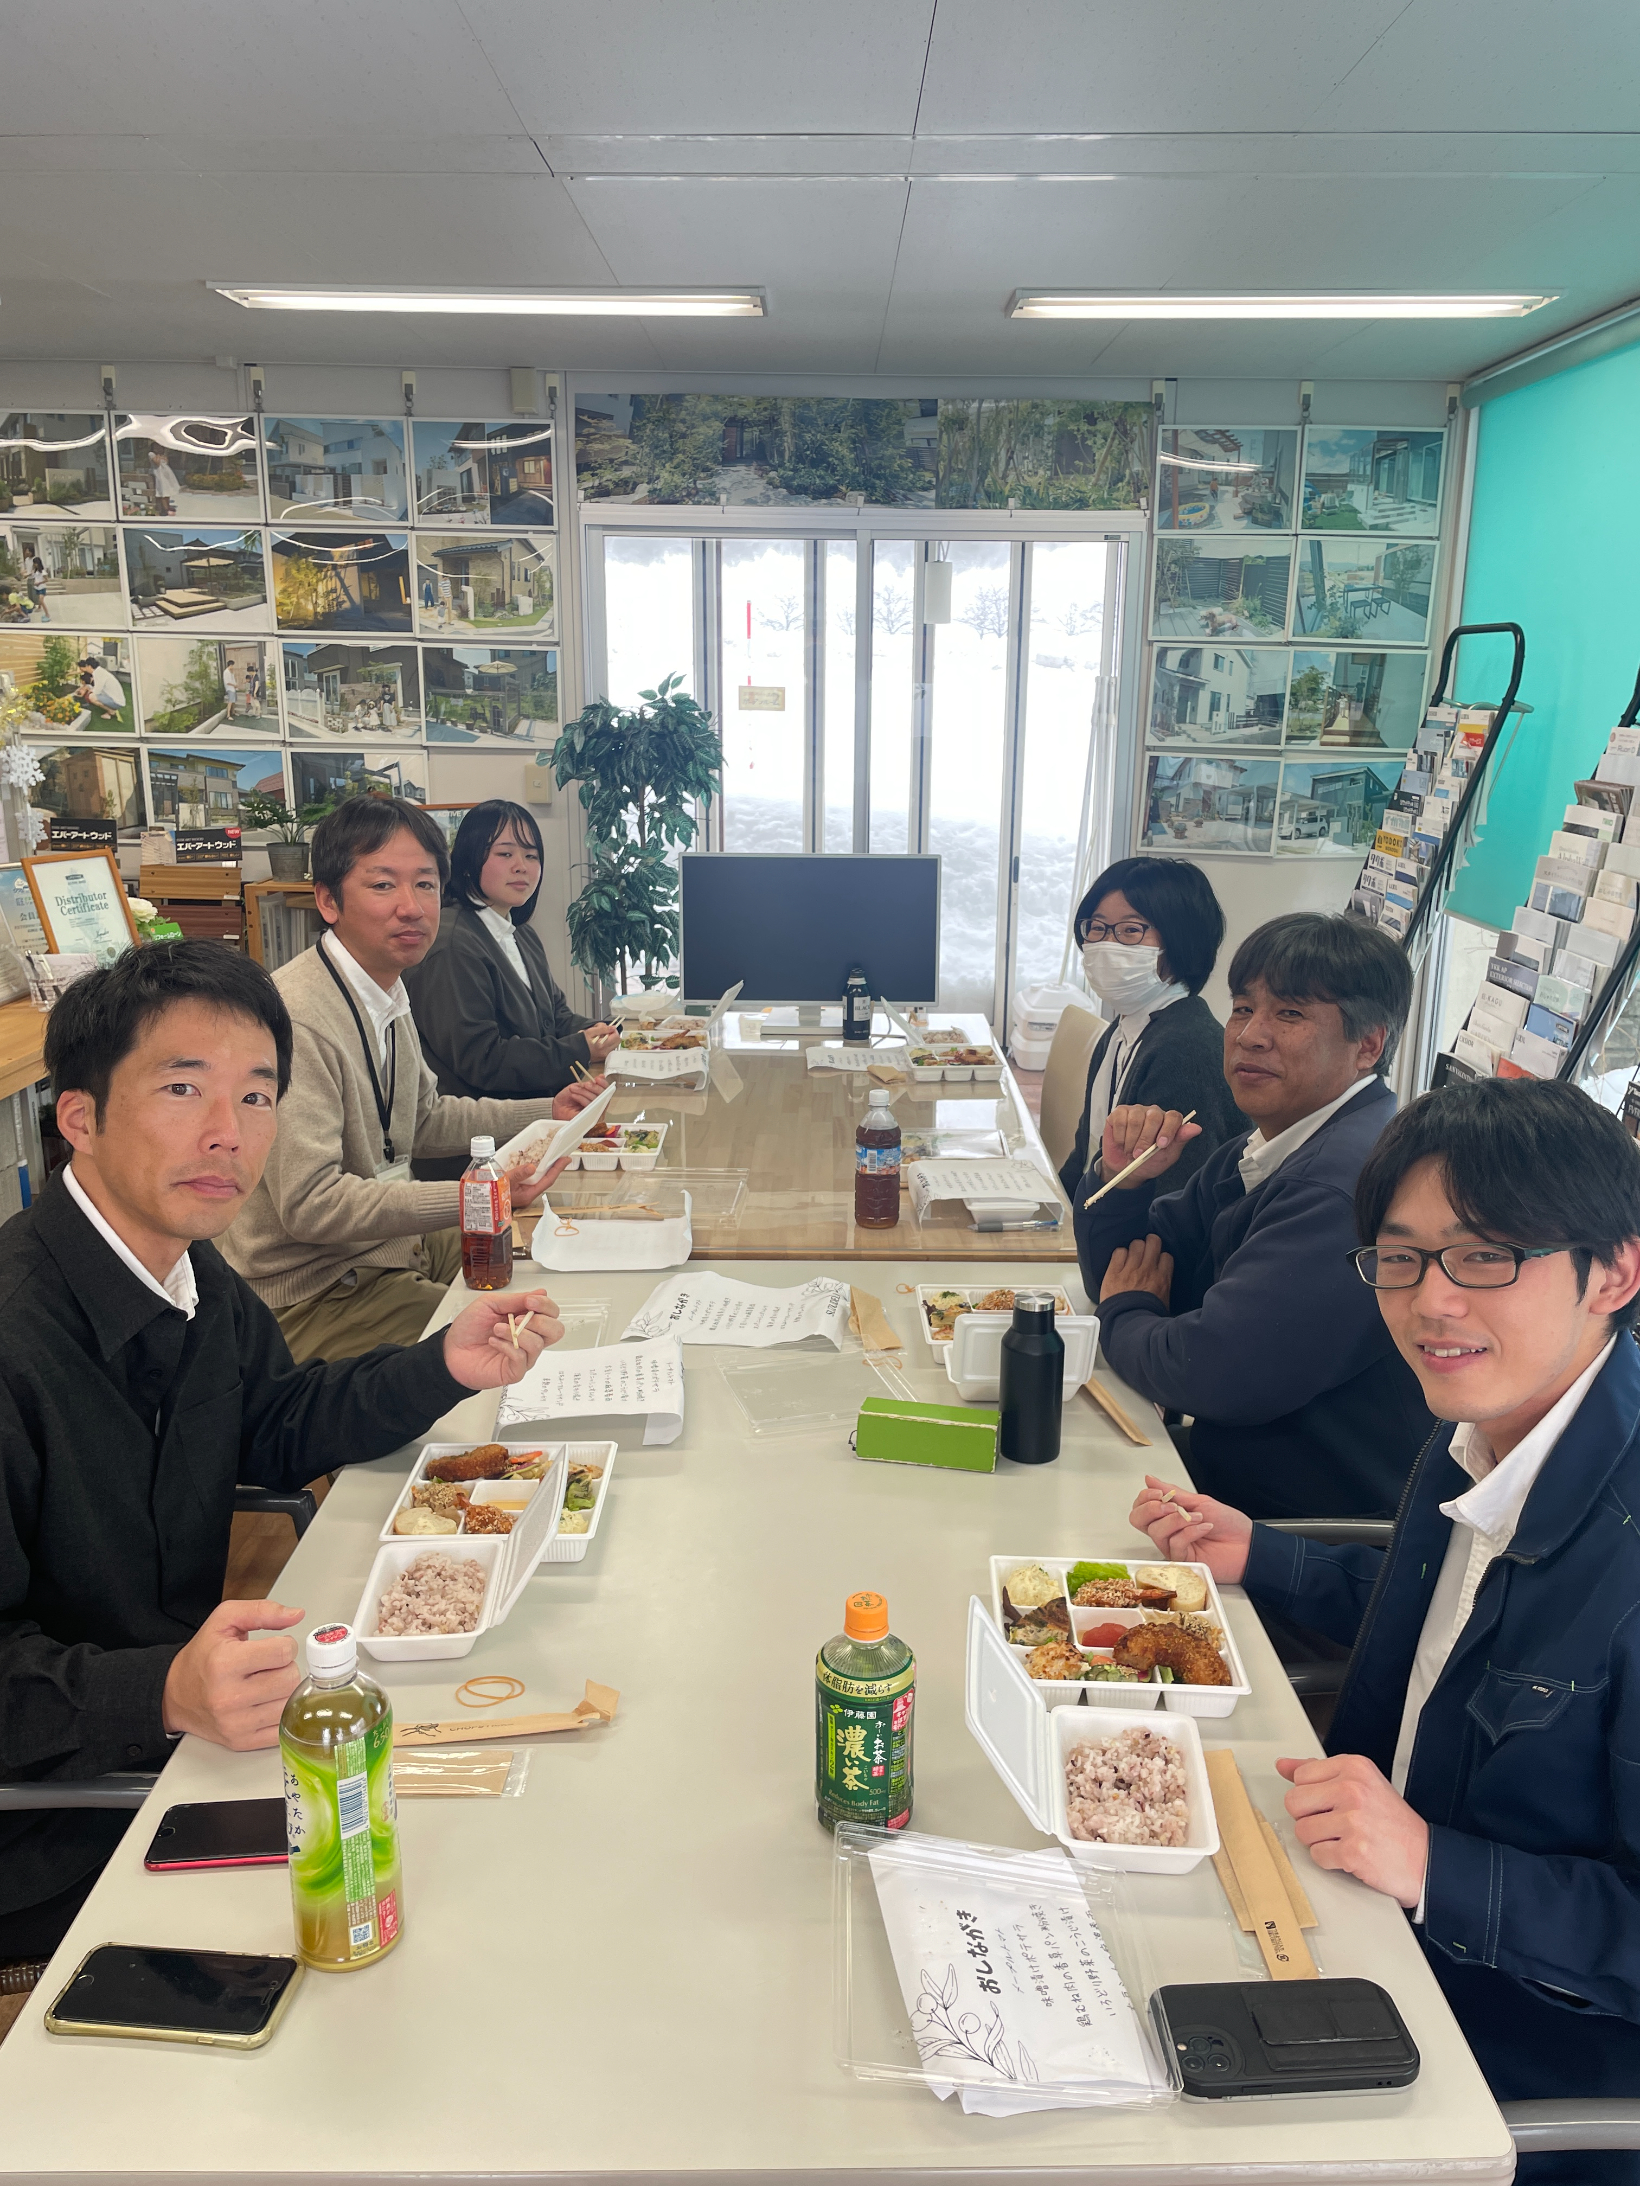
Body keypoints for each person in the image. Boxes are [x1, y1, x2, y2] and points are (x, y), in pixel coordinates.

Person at [0, 941, 565, 1965]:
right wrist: (162, 1690)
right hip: (60, 1824)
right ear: (78, 1116)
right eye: (183, 1088)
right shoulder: (17, 1336)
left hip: (187, 1744)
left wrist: (442, 1363)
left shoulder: (190, 1275)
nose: (230, 1131)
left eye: (257, 1095)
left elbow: (274, 1420)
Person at [1130, 1077, 1640, 2184]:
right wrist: (1265, 1554)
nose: (1431, 1301)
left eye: (1487, 1254)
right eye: (1401, 1257)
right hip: (1356, 1921)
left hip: (1505, 2065)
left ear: (1613, 1271)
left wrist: (1434, 1866)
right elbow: (1460, 1629)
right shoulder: (1486, 1429)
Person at [221, 795, 599, 1363]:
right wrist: (479, 1196)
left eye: (425, 885)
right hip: (319, 1288)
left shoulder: (387, 989)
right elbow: (312, 1205)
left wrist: (549, 1110)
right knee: (514, 1347)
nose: (412, 907)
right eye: (382, 885)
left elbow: (425, 1118)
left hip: (387, 1247)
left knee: (556, 1264)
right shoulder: (296, 1018)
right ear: (328, 900)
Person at [1080, 912, 1428, 1520]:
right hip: (1238, 1472)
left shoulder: (1342, 1182)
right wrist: (1124, 1180)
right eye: (1242, 1008)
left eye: (1289, 1014)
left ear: (1368, 1045)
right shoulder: (1270, 1143)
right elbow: (1124, 1268)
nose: (1249, 1035)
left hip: (1299, 1524)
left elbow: (1210, 1371)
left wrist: (1126, 1311)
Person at [405, 801, 619, 1151]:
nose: (522, 866)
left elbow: (556, 1017)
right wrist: (581, 1047)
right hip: (482, 1148)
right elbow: (483, 1060)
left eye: (532, 856)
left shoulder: (519, 932)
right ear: (470, 859)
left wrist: (607, 1031)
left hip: (538, 1121)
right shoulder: (453, 945)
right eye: (505, 854)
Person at [1058, 856, 1244, 1206]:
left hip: (1135, 1234)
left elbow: (1173, 1203)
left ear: (1180, 942)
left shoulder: (1187, 1049)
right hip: (1092, 1218)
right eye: (1096, 928)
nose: (1106, 944)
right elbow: (1086, 1154)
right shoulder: (1123, 1030)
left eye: (1130, 930)